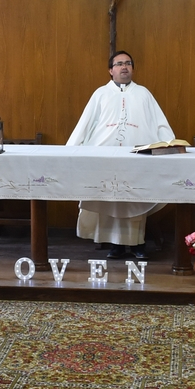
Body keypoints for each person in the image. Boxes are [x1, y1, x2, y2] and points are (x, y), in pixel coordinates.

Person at [66, 50, 176, 259]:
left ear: (132, 68)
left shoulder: (144, 93)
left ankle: (137, 244)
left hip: (138, 157)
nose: (124, 67)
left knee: (135, 197)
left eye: (128, 63)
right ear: (110, 70)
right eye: (119, 64)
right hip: (104, 158)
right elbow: (85, 123)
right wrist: (71, 149)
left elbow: (159, 122)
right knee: (108, 198)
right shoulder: (100, 94)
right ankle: (114, 245)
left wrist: (169, 144)